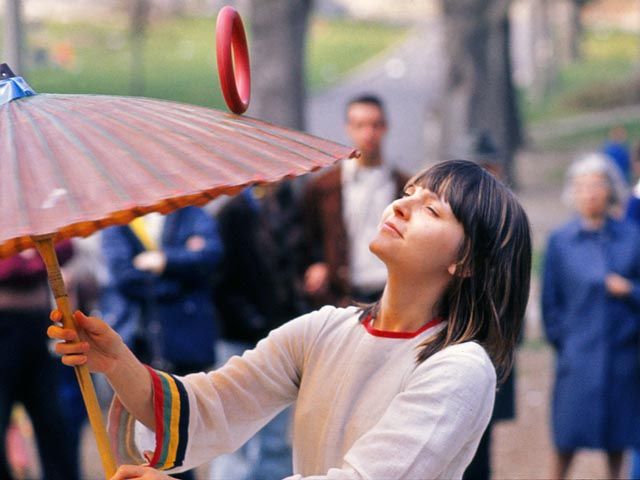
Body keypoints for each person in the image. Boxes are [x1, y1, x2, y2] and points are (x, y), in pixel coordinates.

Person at [48, 160, 531, 480]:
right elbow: (209, 407)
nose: (401, 205)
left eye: (431, 209)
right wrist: (117, 363)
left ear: (466, 262)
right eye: (408, 191)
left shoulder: (460, 367)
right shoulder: (324, 330)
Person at [100, 206, 222, 480]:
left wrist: (164, 261)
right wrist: (180, 282)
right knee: (147, 440)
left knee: (185, 435)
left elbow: (210, 255)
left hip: (186, 342)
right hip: (141, 345)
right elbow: (123, 276)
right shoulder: (118, 221)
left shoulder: (190, 212)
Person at [542, 153, 640, 479]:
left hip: (622, 355)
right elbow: (549, 303)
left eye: (597, 185)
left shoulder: (632, 237)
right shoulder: (560, 241)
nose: (590, 193)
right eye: (582, 186)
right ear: (573, 192)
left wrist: (628, 289)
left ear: (610, 189)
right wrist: (565, 340)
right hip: (577, 354)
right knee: (565, 438)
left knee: (618, 440)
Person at [210, 182, 307, 479]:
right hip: (239, 334)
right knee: (236, 430)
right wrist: (249, 318)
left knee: (276, 433)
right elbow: (219, 279)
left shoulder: (292, 206)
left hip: (281, 331)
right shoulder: (232, 213)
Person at [302, 94, 408, 307]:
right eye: (360, 125)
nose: (368, 133)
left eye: (375, 125)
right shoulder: (324, 187)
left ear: (385, 127)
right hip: (342, 295)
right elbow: (305, 236)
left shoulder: (405, 187)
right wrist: (316, 264)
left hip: (392, 294)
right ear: (348, 128)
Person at [0, 241, 80, 480]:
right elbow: (9, 269)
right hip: (4, 330)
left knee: (54, 422)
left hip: (38, 326)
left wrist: (28, 257)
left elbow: (65, 246)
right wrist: (31, 259)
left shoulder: (30, 211)